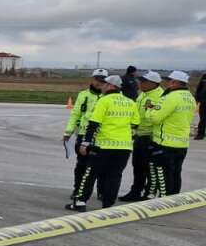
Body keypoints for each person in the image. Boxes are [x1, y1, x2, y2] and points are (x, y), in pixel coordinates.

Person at [72, 75, 138, 211]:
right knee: (114, 176)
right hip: (124, 147)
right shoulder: (130, 102)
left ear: (111, 86)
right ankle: (108, 206)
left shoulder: (104, 100)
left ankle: (80, 202)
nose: (102, 86)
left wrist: (85, 143)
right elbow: (135, 123)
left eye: (104, 84)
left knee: (90, 173)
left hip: (103, 146)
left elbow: (93, 123)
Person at [145, 70, 195, 197]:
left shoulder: (170, 97)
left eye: (169, 81)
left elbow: (154, 118)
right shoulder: (190, 98)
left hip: (165, 143)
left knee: (164, 177)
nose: (167, 83)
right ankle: (175, 200)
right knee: (176, 174)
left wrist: (149, 109)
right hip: (182, 143)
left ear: (175, 82)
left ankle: (165, 201)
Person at [63, 69, 107, 208]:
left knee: (102, 166)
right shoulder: (83, 95)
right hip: (83, 134)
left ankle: (102, 191)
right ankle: (78, 190)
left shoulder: (109, 96)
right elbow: (75, 114)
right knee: (81, 166)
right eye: (97, 79)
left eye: (103, 80)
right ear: (92, 80)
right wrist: (68, 131)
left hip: (102, 136)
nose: (100, 83)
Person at [120, 71, 163, 201]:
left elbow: (155, 116)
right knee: (138, 166)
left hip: (149, 136)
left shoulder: (159, 96)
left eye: (144, 81)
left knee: (149, 167)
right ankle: (136, 191)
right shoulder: (143, 94)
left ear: (154, 83)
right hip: (140, 134)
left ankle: (149, 193)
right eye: (141, 80)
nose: (140, 83)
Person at [195, 72, 206, 140]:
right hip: (204, 101)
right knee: (202, 119)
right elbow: (199, 87)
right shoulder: (204, 76)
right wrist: (197, 97)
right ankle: (200, 134)